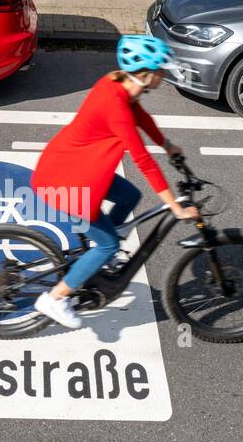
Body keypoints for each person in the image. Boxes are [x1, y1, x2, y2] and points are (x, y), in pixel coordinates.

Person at [29, 35, 200, 329]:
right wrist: (175, 206)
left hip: (78, 167)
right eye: (160, 70)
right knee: (107, 245)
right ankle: (55, 298)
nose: (164, 74)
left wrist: (167, 144)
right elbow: (142, 160)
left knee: (129, 197)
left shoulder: (118, 84)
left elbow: (141, 116)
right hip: (69, 182)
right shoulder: (115, 106)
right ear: (145, 74)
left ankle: (98, 250)